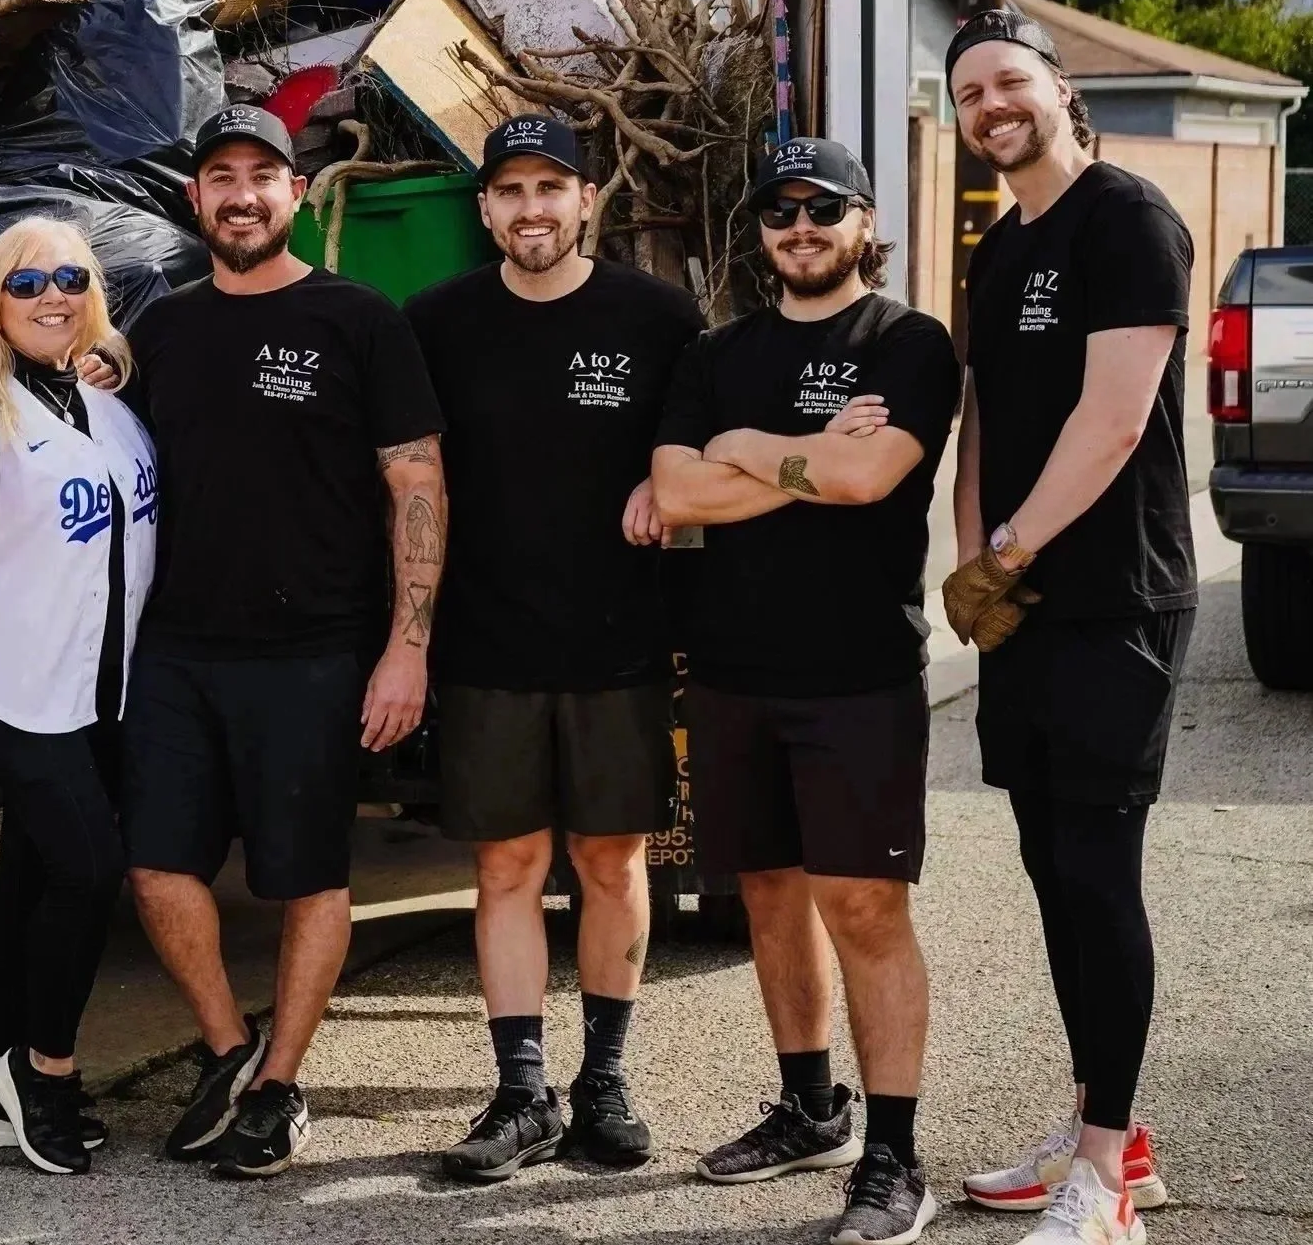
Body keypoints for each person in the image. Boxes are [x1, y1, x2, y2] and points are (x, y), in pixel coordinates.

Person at [114, 103, 446, 1180]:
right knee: (158, 867)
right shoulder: (159, 329)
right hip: (173, 650)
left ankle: (280, 1084)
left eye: (264, 174)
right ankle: (225, 1048)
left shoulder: (358, 320)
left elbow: (416, 482)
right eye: (222, 176)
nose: (243, 193)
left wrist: (408, 648)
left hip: (313, 651)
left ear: (297, 194)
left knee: (305, 874)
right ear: (194, 198)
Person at [651, 138, 959, 1245]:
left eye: (821, 206)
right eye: (779, 211)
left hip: (857, 675)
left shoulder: (910, 342)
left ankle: (892, 1155)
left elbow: (869, 477)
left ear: (863, 220)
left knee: (866, 910)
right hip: (732, 673)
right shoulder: (717, 351)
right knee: (768, 898)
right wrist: (796, 460)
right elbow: (673, 488)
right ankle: (806, 1105)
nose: (799, 226)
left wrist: (742, 454)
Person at [404, 115, 704, 1184]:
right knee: (507, 866)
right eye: (511, 190)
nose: (532, 209)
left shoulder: (657, 317)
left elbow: (700, 443)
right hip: (486, 646)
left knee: (613, 863)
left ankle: (605, 1083)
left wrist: (660, 483)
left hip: (618, 643)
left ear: (588, 203)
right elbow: (411, 478)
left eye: (552, 188)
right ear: (483, 208)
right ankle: (520, 1093)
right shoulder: (435, 323)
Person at [942, 9, 1186, 1244]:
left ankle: (1105, 1184)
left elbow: (1114, 417)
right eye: (969, 89)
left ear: (1057, 88)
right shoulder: (996, 248)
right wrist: (967, 551)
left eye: (1008, 80)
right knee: (1050, 873)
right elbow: (986, 410)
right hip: (1021, 604)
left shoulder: (1127, 218)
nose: (991, 104)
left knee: (1098, 873)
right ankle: (1108, 1131)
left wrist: (1010, 552)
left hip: (1112, 602)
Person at [0, 217, 157, 1176]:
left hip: (96, 685)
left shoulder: (105, 398)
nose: (51, 295)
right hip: (11, 684)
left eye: (69, 276)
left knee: (26, 876)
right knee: (91, 867)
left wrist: (109, 361)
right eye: (26, 284)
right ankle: (45, 1071)